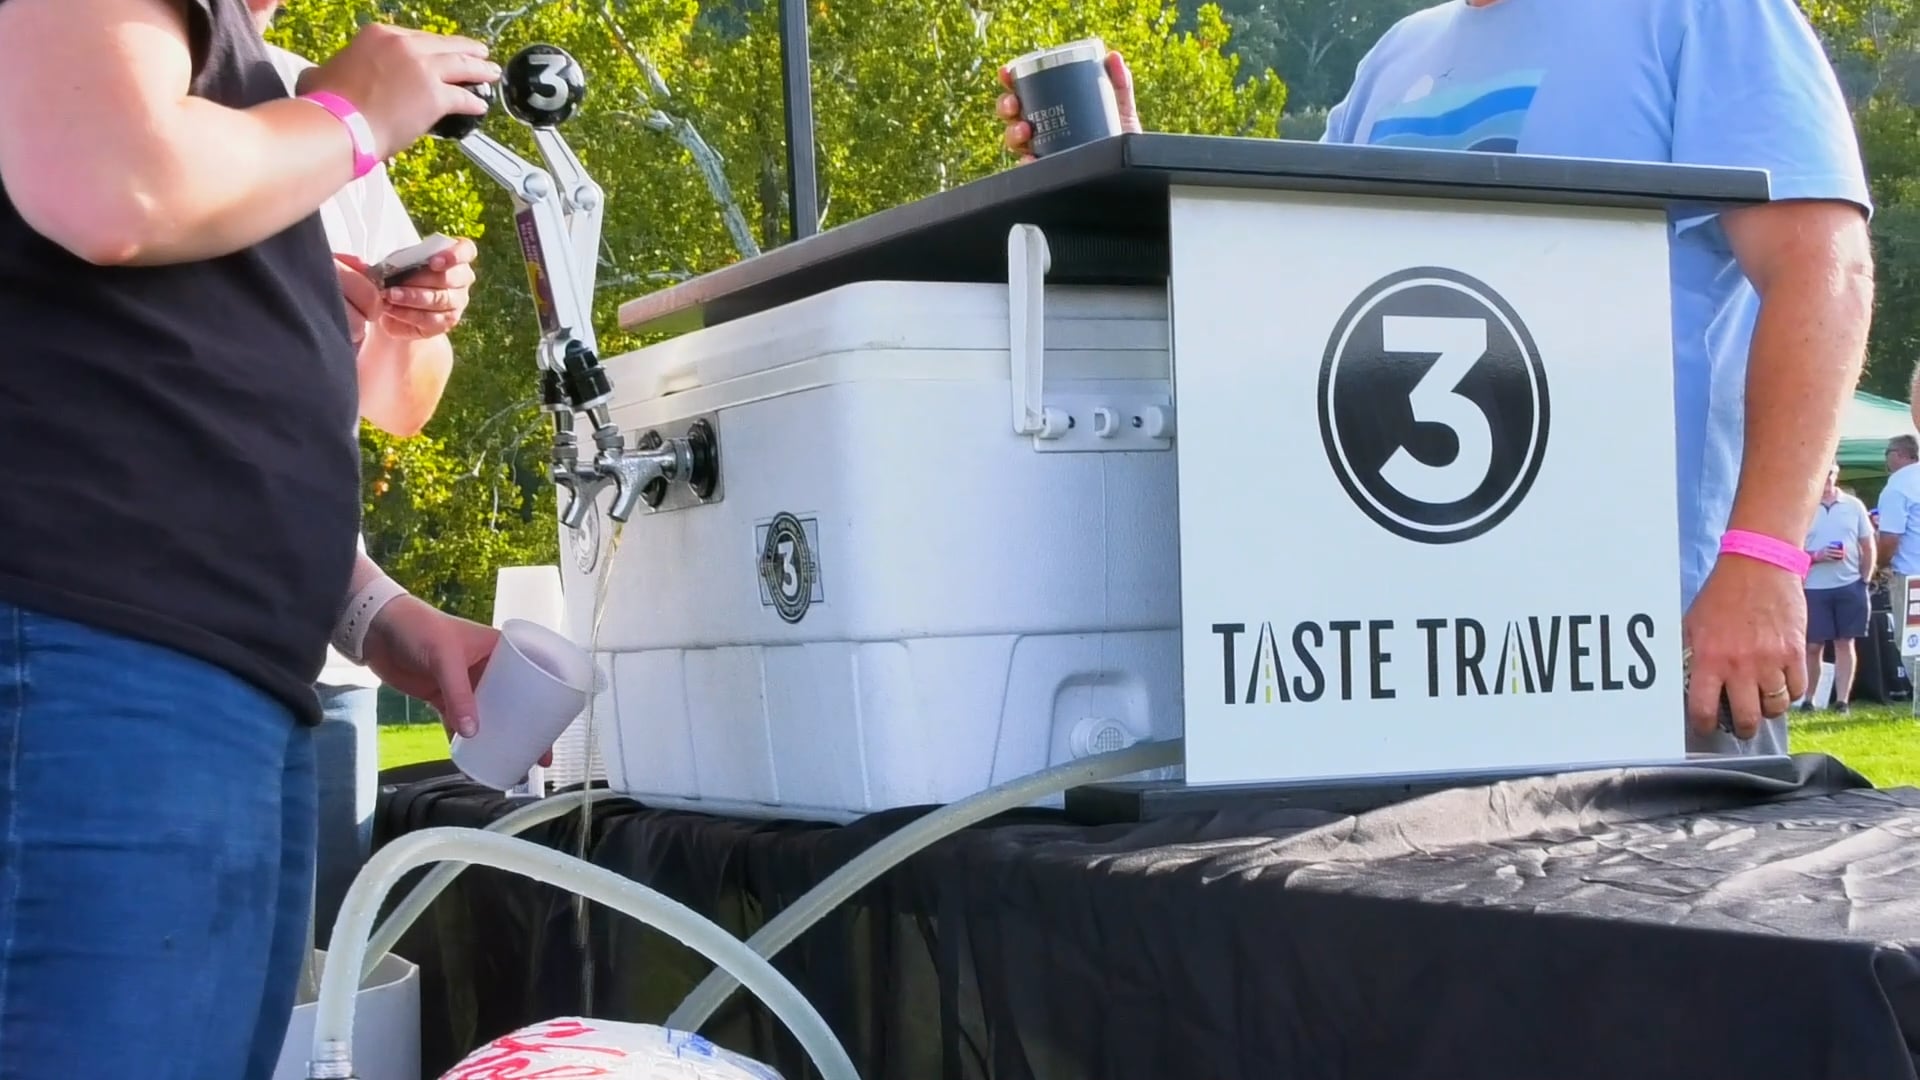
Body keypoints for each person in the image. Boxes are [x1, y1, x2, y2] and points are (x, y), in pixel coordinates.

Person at [997, 0, 1874, 753]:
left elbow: (1823, 271)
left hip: (1640, 654)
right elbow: (1298, 301)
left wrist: (1764, 557)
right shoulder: (1395, 58)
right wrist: (1130, 182)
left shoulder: (1702, 13)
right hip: (1400, 664)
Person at [0, 3, 504, 1077]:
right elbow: (114, 186)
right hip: (99, 662)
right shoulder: (277, 99)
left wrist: (371, 613)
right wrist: (353, 114)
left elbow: (202, 401)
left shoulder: (241, 90)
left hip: (211, 676)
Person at [250, 0, 483, 940]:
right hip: (136, 666)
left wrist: (408, 322)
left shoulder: (312, 89)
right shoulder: (104, 72)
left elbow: (403, 406)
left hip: (320, 661)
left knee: (314, 991)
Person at [1801, 463, 1876, 713]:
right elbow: (1793, 550)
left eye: (1829, 475)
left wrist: (1864, 579)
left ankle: (1842, 701)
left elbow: (1868, 545)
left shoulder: (1854, 506)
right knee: (1813, 646)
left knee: (1845, 643)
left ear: (1836, 473)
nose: (1826, 481)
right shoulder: (1804, 506)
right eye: (1821, 475)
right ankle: (1808, 700)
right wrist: (1817, 555)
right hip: (1813, 586)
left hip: (1849, 584)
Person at [1875, 435, 1920, 626]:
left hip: (1912, 575)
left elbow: (1890, 539)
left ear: (1899, 454)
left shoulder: (1898, 486)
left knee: (1913, 637)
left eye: (1887, 453)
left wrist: (1879, 564)